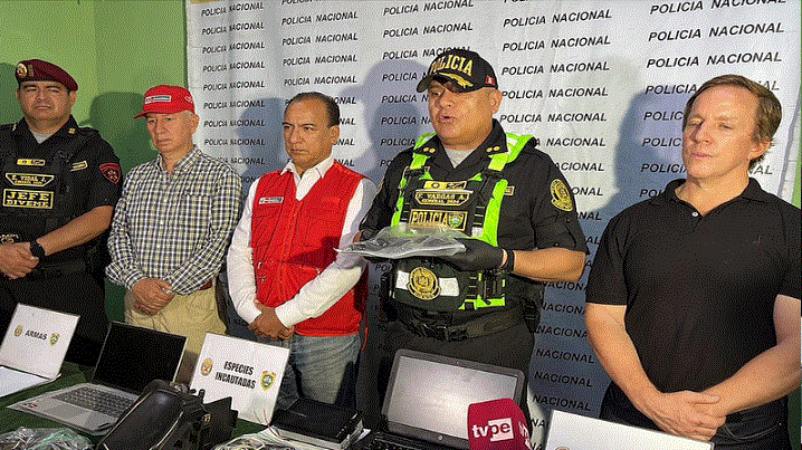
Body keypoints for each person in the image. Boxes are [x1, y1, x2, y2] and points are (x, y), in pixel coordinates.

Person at [359, 49, 588, 418]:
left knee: (481, 439)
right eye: (435, 93)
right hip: (406, 339)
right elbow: (370, 232)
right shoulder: (406, 164)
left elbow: (571, 264)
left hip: (488, 346)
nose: (444, 103)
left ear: (494, 101)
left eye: (459, 92)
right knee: (397, 437)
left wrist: (502, 259)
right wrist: (374, 244)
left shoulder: (530, 168)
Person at [585, 74, 800, 449]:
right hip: (630, 423)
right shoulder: (631, 223)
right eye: (695, 122)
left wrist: (697, 412)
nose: (701, 135)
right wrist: (653, 403)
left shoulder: (790, 228)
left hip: (740, 436)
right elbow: (604, 318)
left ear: (759, 145)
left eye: (724, 126)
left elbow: (795, 349)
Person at [227, 92, 376, 409]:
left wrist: (283, 316)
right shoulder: (264, 185)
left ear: (333, 134)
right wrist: (253, 313)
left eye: (307, 128)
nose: (294, 138)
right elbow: (240, 251)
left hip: (327, 340)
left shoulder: (357, 188)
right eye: (288, 127)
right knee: (272, 423)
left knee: (326, 426)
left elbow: (349, 266)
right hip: (266, 329)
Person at [106, 85, 241, 382]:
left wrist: (166, 290)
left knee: (194, 390)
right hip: (138, 301)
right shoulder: (137, 176)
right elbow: (118, 235)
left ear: (193, 123)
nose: (159, 129)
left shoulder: (220, 175)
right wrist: (137, 282)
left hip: (191, 305)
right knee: (139, 384)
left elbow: (219, 243)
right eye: (152, 121)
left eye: (169, 119)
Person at [0, 59, 121, 366]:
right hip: (3, 287)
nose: (41, 97)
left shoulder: (94, 149)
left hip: (70, 288)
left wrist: (33, 250)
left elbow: (100, 216)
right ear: (18, 95)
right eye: (31, 88)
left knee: (79, 378)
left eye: (52, 89)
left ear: (72, 97)